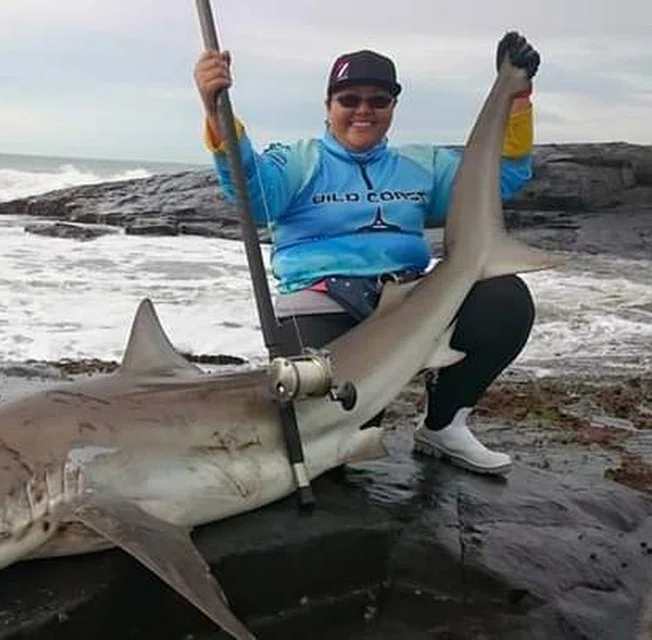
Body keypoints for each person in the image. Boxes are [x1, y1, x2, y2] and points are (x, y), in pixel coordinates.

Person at [193, 32, 542, 476]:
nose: (363, 110)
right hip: (322, 302)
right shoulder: (298, 160)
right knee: (342, 435)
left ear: (393, 108)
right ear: (328, 106)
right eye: (349, 99)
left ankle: (443, 424)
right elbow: (252, 195)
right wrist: (215, 111)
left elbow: (500, 179)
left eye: (378, 100)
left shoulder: (424, 165)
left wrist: (516, 96)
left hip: (408, 301)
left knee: (504, 297)